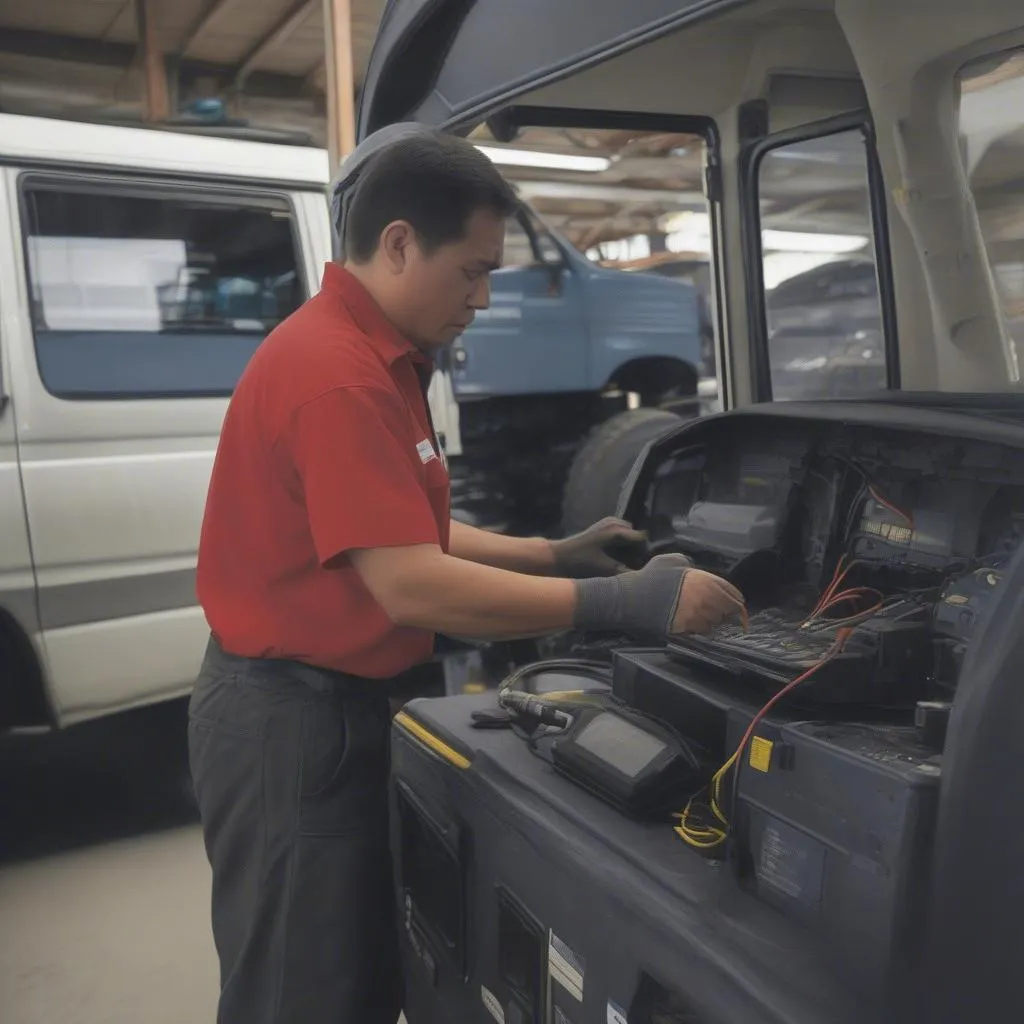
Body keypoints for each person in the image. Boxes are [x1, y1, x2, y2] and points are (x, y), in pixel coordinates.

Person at [188, 125, 745, 1024]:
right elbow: (410, 583)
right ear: (401, 242)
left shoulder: (376, 354)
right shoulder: (337, 375)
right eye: (473, 272)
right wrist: (617, 601)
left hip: (339, 705)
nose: (484, 298)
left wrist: (552, 555)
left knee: (367, 977)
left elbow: (407, 526)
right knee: (300, 994)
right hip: (289, 724)